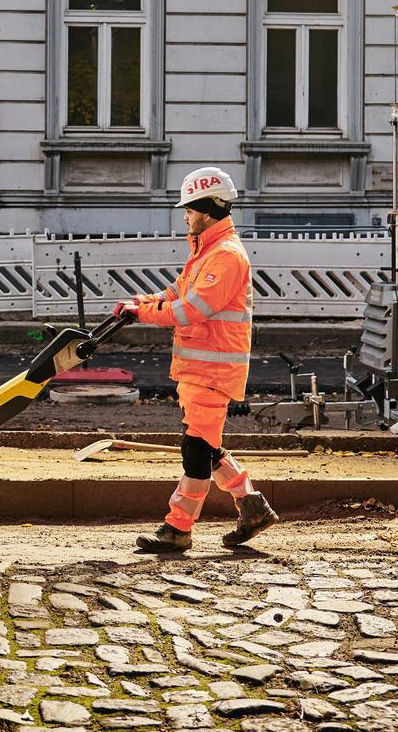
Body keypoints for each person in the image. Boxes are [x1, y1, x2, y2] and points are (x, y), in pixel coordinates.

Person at [113, 166, 277, 553]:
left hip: (213, 369)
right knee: (206, 446)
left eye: (190, 208)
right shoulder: (205, 253)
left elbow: (189, 311)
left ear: (207, 208)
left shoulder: (225, 257)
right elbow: (174, 293)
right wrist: (142, 302)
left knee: (195, 450)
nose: (185, 215)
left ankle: (178, 528)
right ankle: (253, 507)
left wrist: (141, 313)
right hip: (201, 368)